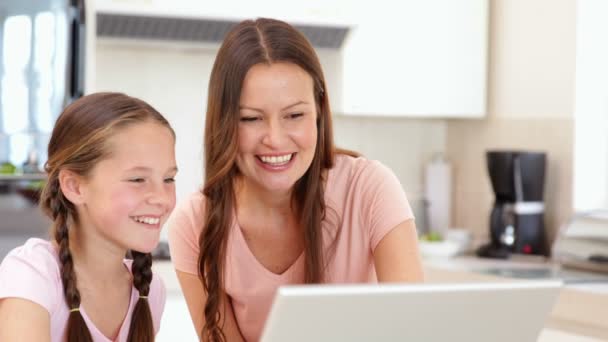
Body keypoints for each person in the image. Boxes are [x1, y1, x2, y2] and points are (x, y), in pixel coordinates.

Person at [168, 18, 424, 342]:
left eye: (294, 115)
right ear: (224, 121)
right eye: (251, 119)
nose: (275, 139)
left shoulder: (371, 188)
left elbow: (413, 328)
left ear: (318, 109)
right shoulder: (194, 224)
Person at [0, 92, 178, 342]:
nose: (162, 198)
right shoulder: (33, 275)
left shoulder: (148, 291)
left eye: (169, 179)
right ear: (74, 186)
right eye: (138, 179)